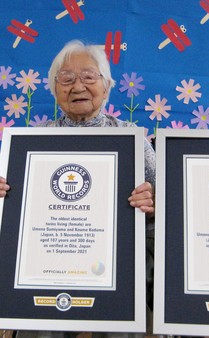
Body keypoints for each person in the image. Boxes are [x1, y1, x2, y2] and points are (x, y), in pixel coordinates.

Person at [0, 40, 156, 337]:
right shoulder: (31, 143)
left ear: (106, 86)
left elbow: (169, 200)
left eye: (88, 76)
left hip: (116, 271)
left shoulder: (131, 138)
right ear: (55, 89)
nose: (78, 86)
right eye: (67, 79)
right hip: (47, 267)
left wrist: (153, 200)